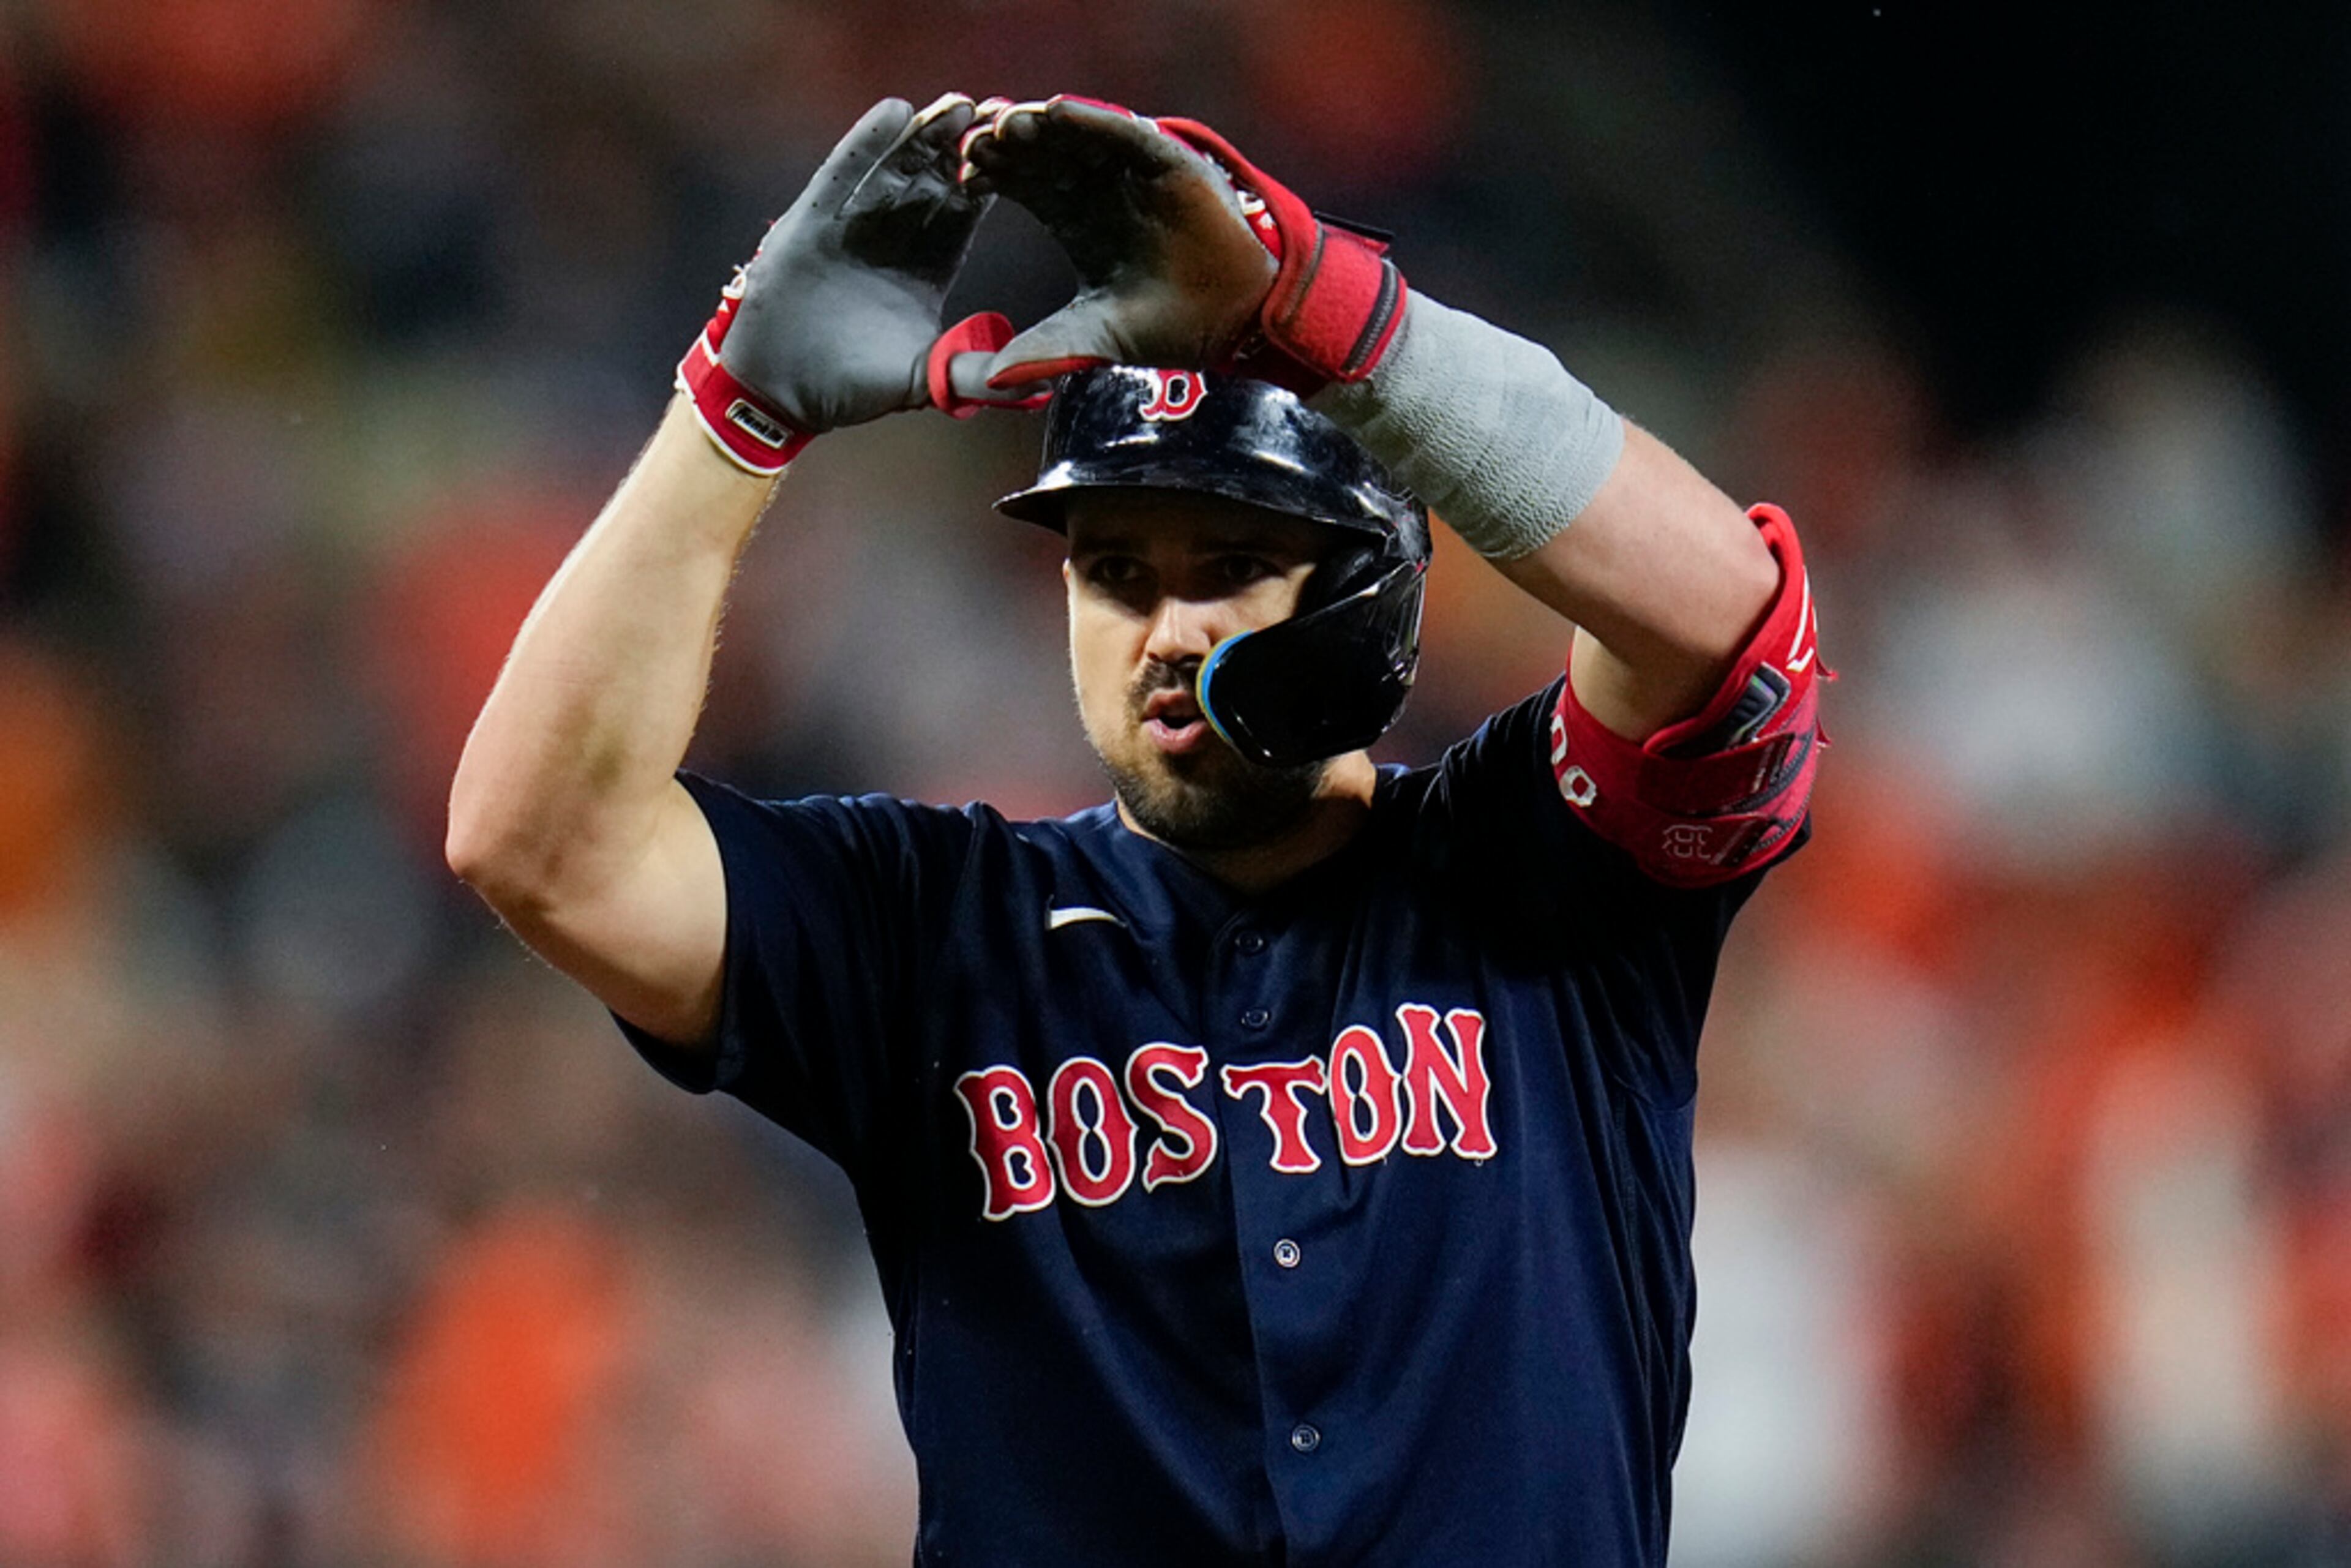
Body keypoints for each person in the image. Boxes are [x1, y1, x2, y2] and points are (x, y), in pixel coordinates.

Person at [447, 91, 1825, 1567]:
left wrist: (1326, 313)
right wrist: (734, 416)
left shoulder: (1539, 867)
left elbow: (1734, 626)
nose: (1166, 632)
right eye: (1115, 574)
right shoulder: (937, 930)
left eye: (1234, 562)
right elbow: (537, 843)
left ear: (1378, 593)